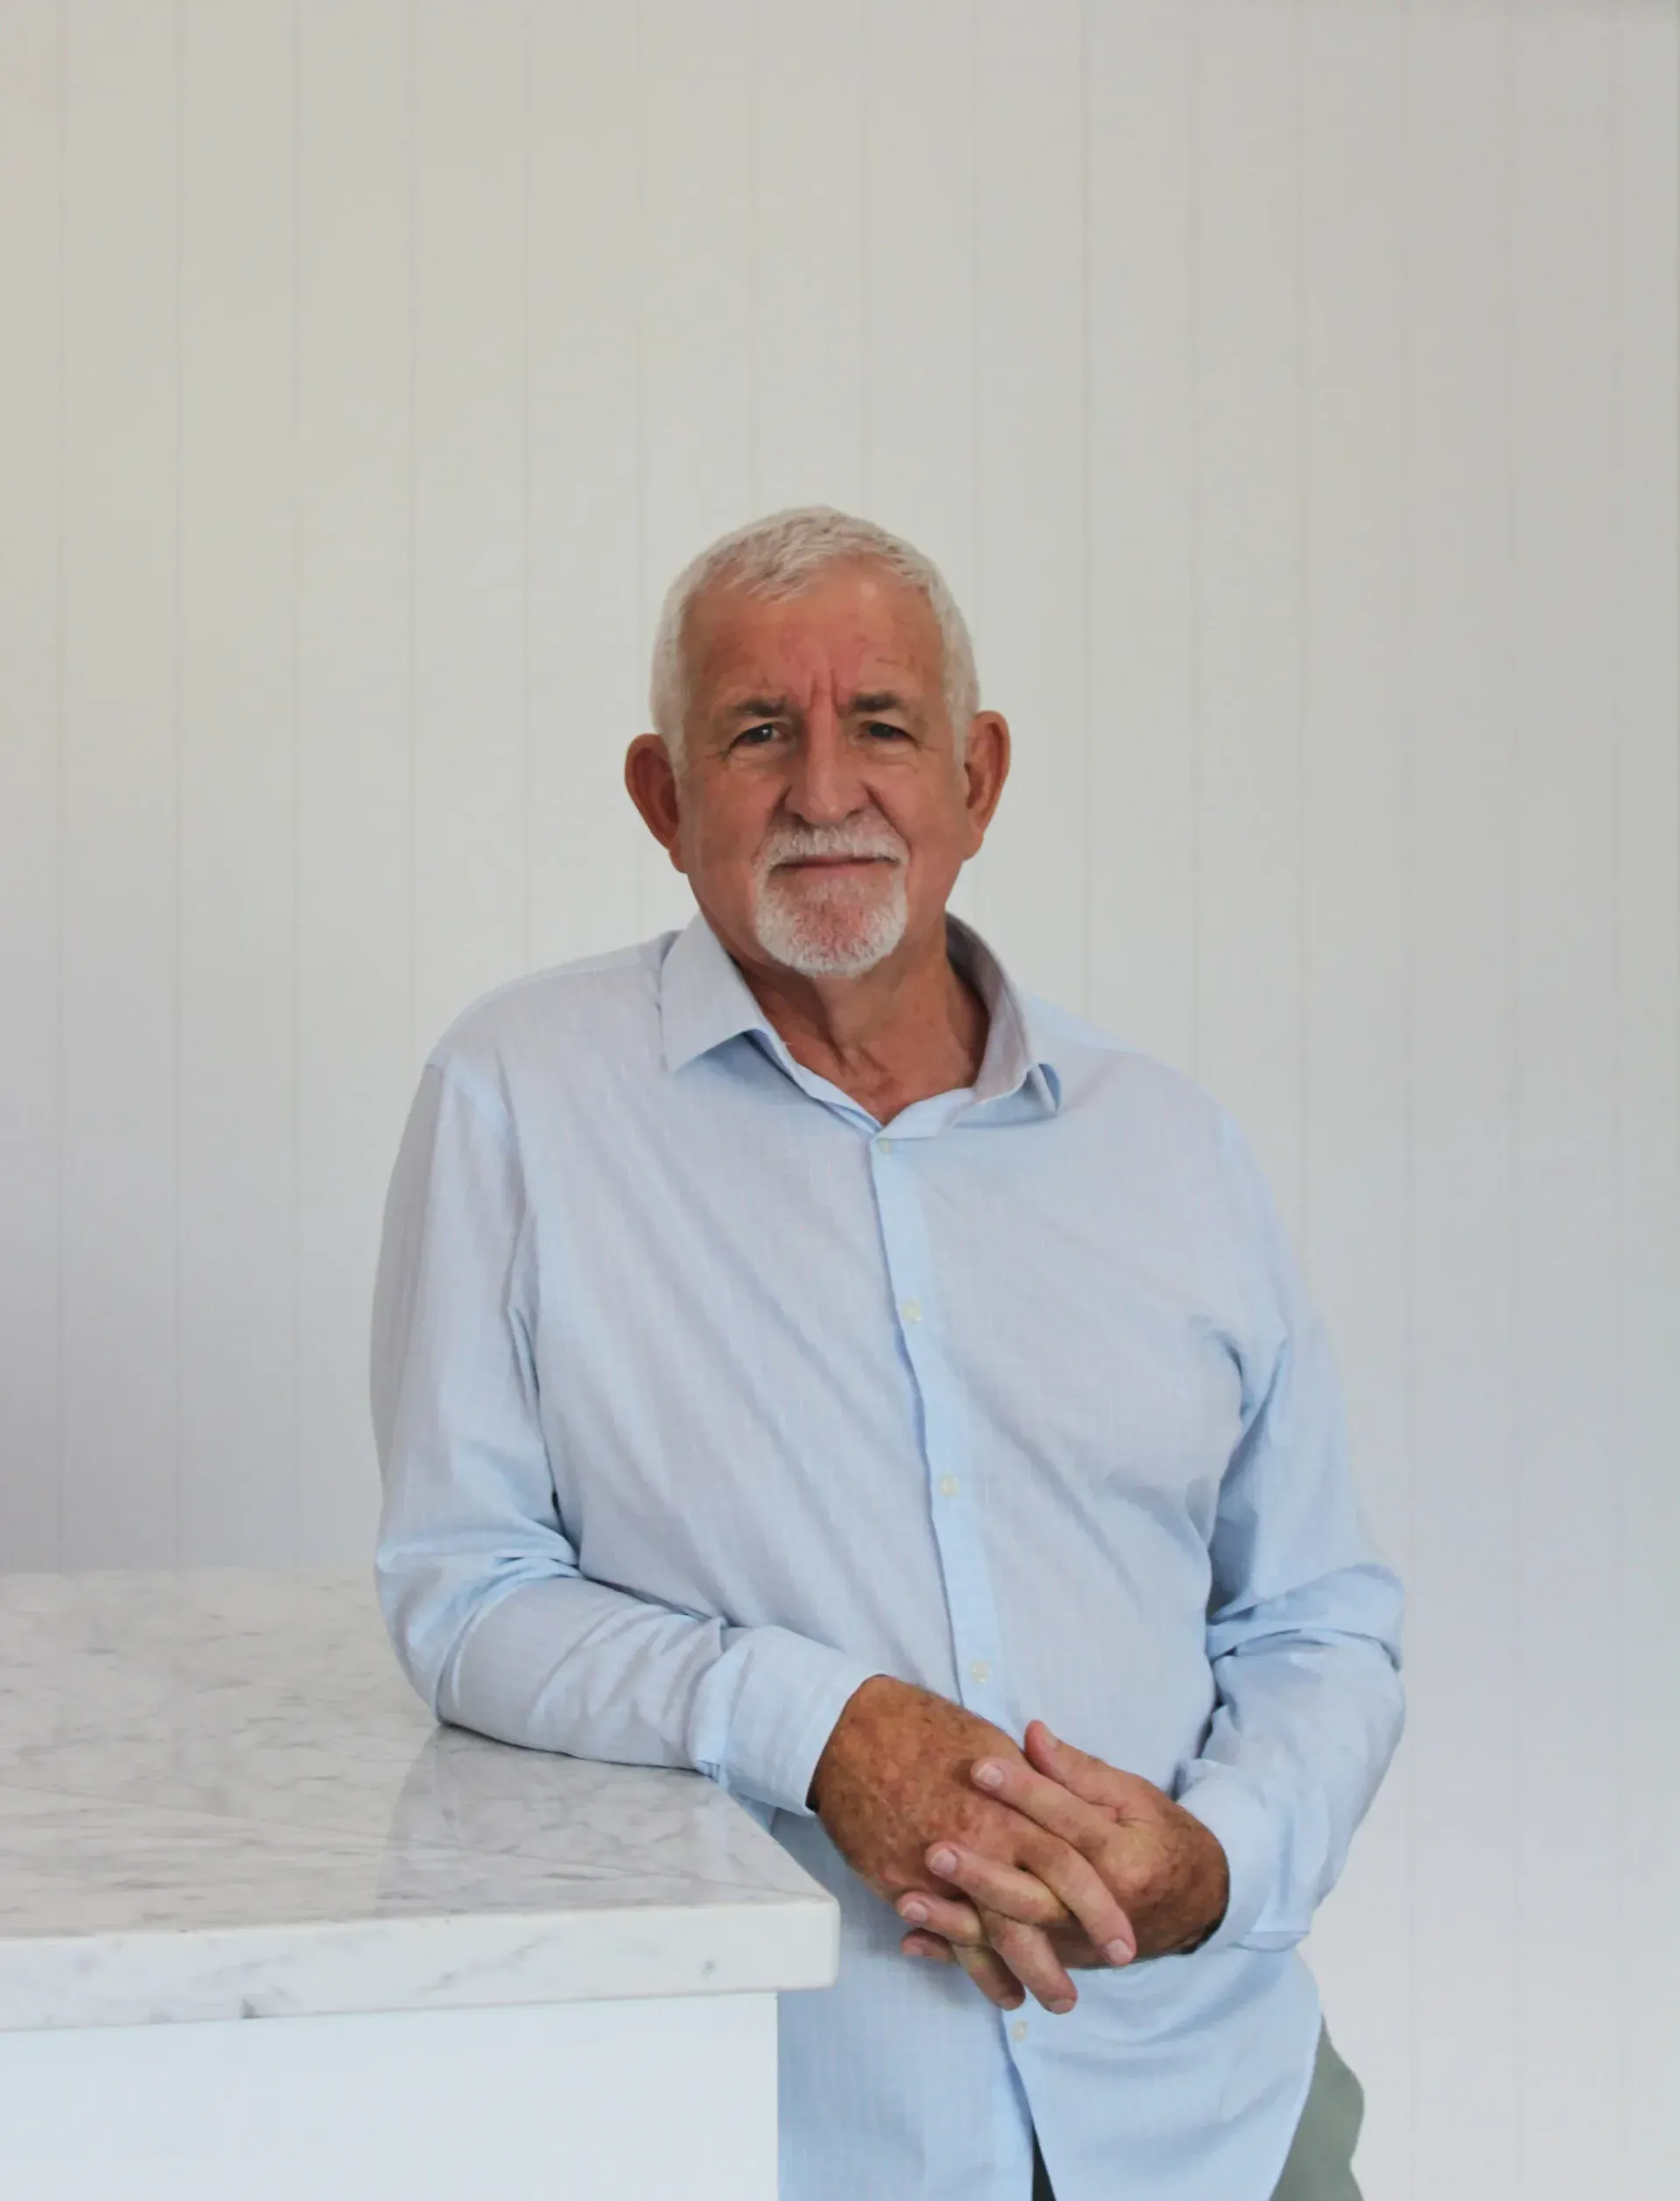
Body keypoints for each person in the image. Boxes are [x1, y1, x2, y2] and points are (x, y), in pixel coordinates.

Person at [371, 506, 1404, 2201]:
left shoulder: (1175, 1151)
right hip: (803, 2137)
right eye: (758, 732)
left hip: (1218, 2115)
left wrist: (1214, 1864)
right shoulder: (519, 1103)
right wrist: (820, 1723)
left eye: (885, 727)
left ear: (980, 779)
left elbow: (1320, 1621)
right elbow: (463, 1595)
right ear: (664, 797)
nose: (825, 788)